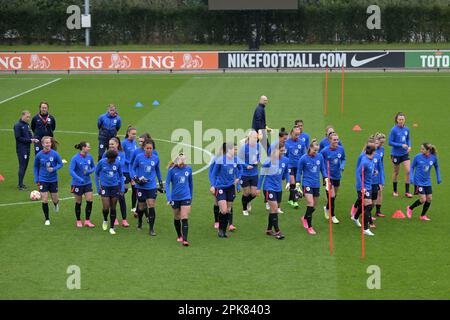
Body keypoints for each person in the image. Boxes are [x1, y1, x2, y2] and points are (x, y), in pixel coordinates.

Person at [131, 140, 163, 236]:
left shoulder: (156, 158)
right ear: (144, 148)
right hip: (141, 186)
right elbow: (132, 168)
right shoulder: (139, 157)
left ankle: (151, 229)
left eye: (151, 148)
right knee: (141, 206)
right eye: (147, 148)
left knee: (151, 204)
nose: (149, 150)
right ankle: (140, 222)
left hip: (151, 185)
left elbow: (158, 170)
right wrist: (135, 178)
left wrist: (160, 182)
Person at [209, 143, 242, 238]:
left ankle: (223, 231)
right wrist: (213, 185)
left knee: (228, 210)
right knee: (223, 210)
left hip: (231, 187)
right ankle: (220, 230)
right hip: (221, 188)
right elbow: (213, 174)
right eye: (235, 149)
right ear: (229, 150)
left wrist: (238, 179)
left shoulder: (236, 160)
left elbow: (241, 170)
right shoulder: (220, 160)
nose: (236, 151)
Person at [257, 145, 289, 240]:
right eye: (281, 150)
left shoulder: (286, 160)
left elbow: (287, 172)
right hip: (268, 187)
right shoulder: (268, 161)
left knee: (273, 210)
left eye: (284, 150)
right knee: (275, 209)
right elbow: (262, 174)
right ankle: (278, 231)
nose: (283, 152)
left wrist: (287, 182)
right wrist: (258, 188)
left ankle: (268, 230)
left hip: (278, 188)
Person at [296, 139, 328, 235]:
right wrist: (298, 183)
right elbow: (299, 171)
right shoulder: (303, 158)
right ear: (310, 148)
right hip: (307, 183)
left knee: (314, 206)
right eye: (314, 150)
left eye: (317, 150)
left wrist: (325, 178)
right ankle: (310, 227)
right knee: (310, 203)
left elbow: (323, 168)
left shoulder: (320, 157)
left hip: (316, 184)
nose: (316, 152)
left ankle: (305, 217)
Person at [407, 143, 441, 221]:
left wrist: (438, 177)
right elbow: (412, 167)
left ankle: (423, 215)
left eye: (423, 149)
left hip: (427, 181)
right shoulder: (417, 157)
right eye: (421, 148)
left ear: (428, 150)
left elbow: (437, 166)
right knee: (423, 200)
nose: (421, 150)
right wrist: (411, 178)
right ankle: (410, 208)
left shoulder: (433, 158)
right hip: (418, 181)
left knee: (429, 198)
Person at [33, 136, 63, 226]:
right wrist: (36, 178)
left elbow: (61, 164)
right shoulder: (39, 155)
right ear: (42, 144)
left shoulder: (55, 154)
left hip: (53, 179)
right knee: (44, 199)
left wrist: (54, 169)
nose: (48, 144)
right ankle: (47, 219)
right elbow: (35, 166)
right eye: (46, 143)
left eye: (49, 142)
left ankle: (56, 203)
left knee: (55, 198)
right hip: (43, 179)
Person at [166, 153, 193, 246]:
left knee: (184, 217)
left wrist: (191, 196)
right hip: (175, 198)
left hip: (186, 197)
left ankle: (185, 239)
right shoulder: (172, 170)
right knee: (177, 217)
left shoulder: (188, 169)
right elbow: (167, 184)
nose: (183, 161)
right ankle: (179, 235)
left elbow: (191, 183)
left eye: (184, 159)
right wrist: (169, 198)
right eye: (181, 159)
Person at [94, 149, 124, 235]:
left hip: (115, 187)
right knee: (106, 207)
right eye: (113, 159)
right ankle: (105, 219)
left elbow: (121, 176)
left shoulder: (117, 163)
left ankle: (112, 227)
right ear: (109, 158)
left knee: (113, 207)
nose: (114, 160)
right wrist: (97, 187)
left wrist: (121, 189)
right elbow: (96, 174)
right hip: (105, 187)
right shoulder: (101, 162)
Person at [103, 137, 129, 227]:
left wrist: (114, 159)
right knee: (112, 201)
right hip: (110, 181)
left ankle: (124, 219)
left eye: (112, 144)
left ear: (117, 144)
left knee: (122, 198)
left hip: (119, 180)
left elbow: (121, 164)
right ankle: (115, 218)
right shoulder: (106, 154)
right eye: (110, 144)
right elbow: (102, 163)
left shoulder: (121, 154)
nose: (111, 146)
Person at [320, 133, 345, 224]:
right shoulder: (324, 151)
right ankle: (333, 215)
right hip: (328, 177)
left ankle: (326, 208)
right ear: (330, 140)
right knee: (332, 196)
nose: (336, 141)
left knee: (333, 197)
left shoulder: (341, 149)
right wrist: (325, 175)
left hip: (337, 175)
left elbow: (343, 159)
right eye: (334, 140)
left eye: (337, 140)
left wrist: (342, 166)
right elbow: (320, 161)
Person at [351, 144, 376, 236]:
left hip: (368, 186)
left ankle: (356, 216)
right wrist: (362, 187)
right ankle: (365, 228)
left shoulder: (371, 160)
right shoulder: (364, 161)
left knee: (366, 206)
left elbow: (369, 171)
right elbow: (358, 174)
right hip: (363, 187)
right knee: (369, 206)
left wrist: (374, 172)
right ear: (373, 152)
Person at [69, 141, 95, 228]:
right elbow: (71, 171)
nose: (89, 148)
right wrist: (79, 179)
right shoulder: (75, 158)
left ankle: (87, 220)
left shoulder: (89, 157)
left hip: (87, 182)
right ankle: (78, 220)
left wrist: (89, 171)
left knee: (90, 200)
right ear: (83, 148)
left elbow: (94, 167)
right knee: (78, 202)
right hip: (77, 184)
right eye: (88, 147)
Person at [14, 110, 39, 190]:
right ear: (23, 116)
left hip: (27, 148)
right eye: (27, 117)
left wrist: (34, 139)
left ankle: (21, 183)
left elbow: (29, 135)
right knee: (22, 166)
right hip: (21, 149)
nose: (28, 118)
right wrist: (30, 140)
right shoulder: (17, 125)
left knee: (25, 166)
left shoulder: (27, 125)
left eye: (29, 117)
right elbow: (18, 138)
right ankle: (20, 185)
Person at [388, 112, 412, 198]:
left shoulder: (407, 129)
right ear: (396, 120)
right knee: (396, 172)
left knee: (408, 171)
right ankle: (395, 190)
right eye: (399, 119)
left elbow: (408, 139)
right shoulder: (393, 130)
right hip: (395, 154)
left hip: (405, 154)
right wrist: (401, 145)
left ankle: (407, 191)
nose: (401, 121)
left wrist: (409, 146)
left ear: (404, 120)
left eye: (402, 119)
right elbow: (389, 142)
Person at [238, 130, 260, 216]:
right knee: (246, 193)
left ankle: (247, 202)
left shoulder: (258, 146)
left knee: (254, 193)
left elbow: (259, 156)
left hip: (254, 172)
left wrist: (257, 161)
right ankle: (244, 209)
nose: (255, 139)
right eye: (253, 138)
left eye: (256, 138)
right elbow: (239, 160)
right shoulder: (244, 148)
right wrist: (246, 166)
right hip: (245, 173)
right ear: (249, 138)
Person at [285, 126, 307, 208]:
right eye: (295, 134)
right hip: (290, 166)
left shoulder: (301, 143)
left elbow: (303, 155)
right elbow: (285, 156)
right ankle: (294, 201)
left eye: (298, 135)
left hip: (298, 167)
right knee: (293, 183)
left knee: (295, 184)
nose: (297, 136)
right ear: (291, 133)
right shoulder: (287, 143)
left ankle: (290, 200)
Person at [122, 126, 138, 213]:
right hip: (125, 170)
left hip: (133, 170)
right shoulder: (124, 143)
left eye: (135, 134)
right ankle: (117, 199)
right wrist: (131, 162)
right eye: (133, 134)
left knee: (135, 188)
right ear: (128, 133)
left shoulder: (135, 143)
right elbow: (121, 156)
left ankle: (133, 207)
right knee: (124, 189)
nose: (134, 135)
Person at [374, 133, 386, 217]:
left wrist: (382, 178)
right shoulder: (371, 149)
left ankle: (378, 211)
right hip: (370, 173)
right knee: (370, 194)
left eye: (382, 143)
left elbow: (381, 163)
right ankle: (357, 207)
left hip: (378, 173)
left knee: (380, 191)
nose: (381, 145)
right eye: (380, 143)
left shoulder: (382, 149)